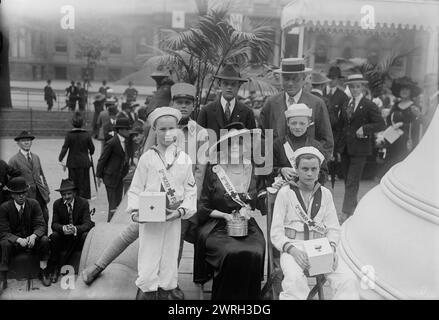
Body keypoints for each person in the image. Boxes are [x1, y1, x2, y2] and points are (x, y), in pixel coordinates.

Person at [81, 85, 208, 300]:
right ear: (172, 103)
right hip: (153, 196)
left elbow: (199, 171)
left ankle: (169, 285)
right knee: (131, 232)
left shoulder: (202, 133)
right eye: (179, 102)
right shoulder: (158, 127)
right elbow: (146, 157)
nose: (183, 106)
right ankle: (99, 265)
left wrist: (186, 204)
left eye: (188, 102)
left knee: (173, 242)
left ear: (194, 105)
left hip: (178, 199)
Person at [270, 146, 359, 300]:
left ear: (319, 170)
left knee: (348, 279)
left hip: (320, 247)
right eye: (304, 169)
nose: (309, 173)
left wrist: (331, 248)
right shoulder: (285, 193)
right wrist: (292, 250)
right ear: (296, 169)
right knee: (294, 280)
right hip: (294, 247)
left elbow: (333, 229)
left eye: (314, 169)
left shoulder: (325, 194)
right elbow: (276, 233)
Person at [128, 107, 197, 300]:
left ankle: (167, 289)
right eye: (162, 129)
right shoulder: (147, 158)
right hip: (150, 219)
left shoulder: (184, 159)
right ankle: (147, 290)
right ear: (155, 131)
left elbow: (191, 190)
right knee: (149, 255)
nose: (167, 133)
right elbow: (136, 188)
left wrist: (182, 211)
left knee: (169, 255)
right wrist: (135, 212)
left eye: (171, 128)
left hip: (173, 217)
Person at [192, 122, 265, 300]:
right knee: (231, 252)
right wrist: (225, 215)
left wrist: (266, 196)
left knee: (256, 251)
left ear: (245, 147)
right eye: (229, 144)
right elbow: (201, 207)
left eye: (238, 143)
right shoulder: (214, 171)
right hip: (216, 225)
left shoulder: (253, 170)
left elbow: (260, 201)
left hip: (246, 225)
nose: (234, 148)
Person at [260, 58, 333, 159]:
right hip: (278, 167)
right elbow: (262, 137)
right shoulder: (271, 104)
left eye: (295, 79)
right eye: (286, 78)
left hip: (307, 169)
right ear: (281, 78)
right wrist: (272, 166)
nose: (290, 83)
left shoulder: (316, 104)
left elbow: (327, 141)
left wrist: (315, 165)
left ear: (304, 79)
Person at [336, 74, 385, 222]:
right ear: (349, 88)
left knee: (352, 181)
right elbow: (341, 127)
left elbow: (381, 124)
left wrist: (365, 128)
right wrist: (337, 149)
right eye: (352, 86)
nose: (355, 89)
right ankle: (353, 208)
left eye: (357, 86)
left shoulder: (369, 105)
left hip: (360, 149)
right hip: (345, 149)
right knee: (348, 181)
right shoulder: (346, 104)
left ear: (362, 87)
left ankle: (345, 213)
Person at [0, 177, 51, 295]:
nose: (21, 196)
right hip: (15, 244)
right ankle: (3, 277)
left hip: (31, 241)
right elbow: (3, 231)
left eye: (23, 192)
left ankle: (43, 271)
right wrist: (17, 239)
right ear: (12, 194)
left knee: (44, 239)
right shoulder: (4, 208)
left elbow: (41, 225)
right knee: (4, 243)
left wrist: (33, 236)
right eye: (18, 194)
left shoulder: (34, 204)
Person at [48, 179, 94, 283]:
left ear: (74, 193)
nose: (67, 196)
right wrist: (63, 228)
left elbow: (88, 223)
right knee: (54, 235)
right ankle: (55, 268)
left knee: (86, 235)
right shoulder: (57, 204)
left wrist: (75, 229)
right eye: (64, 194)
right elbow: (54, 224)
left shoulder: (83, 203)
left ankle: (84, 267)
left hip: (77, 237)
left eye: (69, 193)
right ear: (61, 195)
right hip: (64, 237)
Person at [272, 103, 328, 186]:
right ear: (288, 123)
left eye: (302, 123)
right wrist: (281, 170)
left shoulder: (316, 146)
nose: (297, 127)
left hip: (309, 192)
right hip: (283, 192)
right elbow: (267, 171)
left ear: (309, 123)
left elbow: (323, 173)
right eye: (294, 123)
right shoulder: (278, 144)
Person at [197, 63, 256, 141]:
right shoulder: (206, 111)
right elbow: (198, 141)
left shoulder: (247, 113)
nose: (229, 87)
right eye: (226, 83)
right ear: (219, 84)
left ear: (239, 86)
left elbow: (252, 142)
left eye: (233, 84)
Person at [8, 131, 50, 227]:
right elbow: (9, 181)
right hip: (26, 196)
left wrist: (46, 191)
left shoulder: (36, 157)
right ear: (18, 143)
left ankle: (45, 241)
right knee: (30, 222)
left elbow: (42, 176)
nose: (26, 142)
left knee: (45, 218)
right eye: (23, 141)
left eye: (28, 140)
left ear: (31, 142)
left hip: (40, 195)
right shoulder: (13, 160)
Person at [383, 77, 422, 172]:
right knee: (390, 161)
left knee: (401, 161)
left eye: (407, 89)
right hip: (392, 139)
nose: (404, 91)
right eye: (402, 89)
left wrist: (402, 125)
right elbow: (389, 120)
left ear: (411, 91)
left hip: (405, 140)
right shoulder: (396, 105)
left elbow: (417, 124)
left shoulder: (414, 106)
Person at [96, 118, 131, 222]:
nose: (128, 131)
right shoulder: (112, 143)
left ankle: (115, 222)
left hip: (120, 177)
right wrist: (98, 175)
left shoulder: (126, 141)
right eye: (126, 129)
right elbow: (102, 159)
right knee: (112, 203)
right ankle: (110, 224)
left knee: (118, 203)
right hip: (110, 177)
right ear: (120, 130)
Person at [58, 112, 95, 200]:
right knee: (85, 181)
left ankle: (75, 196)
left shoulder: (69, 135)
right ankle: (84, 196)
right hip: (84, 161)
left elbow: (65, 148)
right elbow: (92, 148)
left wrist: (60, 158)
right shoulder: (86, 134)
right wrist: (90, 153)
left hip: (72, 161)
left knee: (73, 181)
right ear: (82, 123)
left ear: (72, 123)